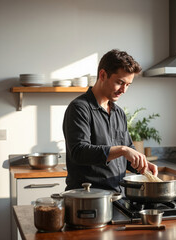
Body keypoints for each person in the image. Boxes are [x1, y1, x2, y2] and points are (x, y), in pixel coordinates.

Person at [63, 49, 158, 192]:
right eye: (120, 82)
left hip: (117, 197)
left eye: (128, 85)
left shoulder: (118, 113)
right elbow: (79, 152)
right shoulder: (79, 108)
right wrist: (123, 150)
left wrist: (142, 165)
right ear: (102, 75)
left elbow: (127, 153)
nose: (124, 90)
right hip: (87, 198)